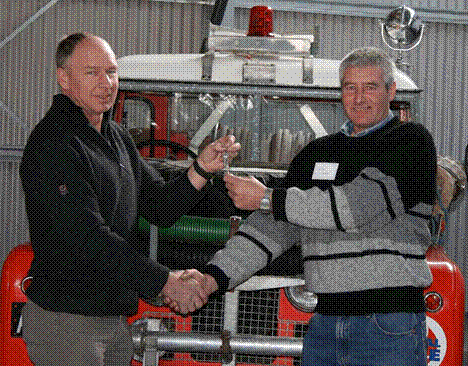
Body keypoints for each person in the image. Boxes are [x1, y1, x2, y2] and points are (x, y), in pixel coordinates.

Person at [188, 47, 437, 365]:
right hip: (325, 324)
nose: (359, 98)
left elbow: (354, 209)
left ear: (391, 91)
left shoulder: (411, 142)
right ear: (340, 93)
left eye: (370, 87)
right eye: (350, 87)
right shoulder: (316, 153)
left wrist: (266, 197)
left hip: (387, 324)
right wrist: (210, 279)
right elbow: (270, 229)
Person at [19, 33, 239, 366]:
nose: (106, 83)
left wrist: (201, 170)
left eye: (111, 72)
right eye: (92, 72)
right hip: (67, 322)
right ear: (64, 78)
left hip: (112, 319)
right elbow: (87, 237)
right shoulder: (54, 143)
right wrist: (166, 281)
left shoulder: (115, 137)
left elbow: (160, 207)